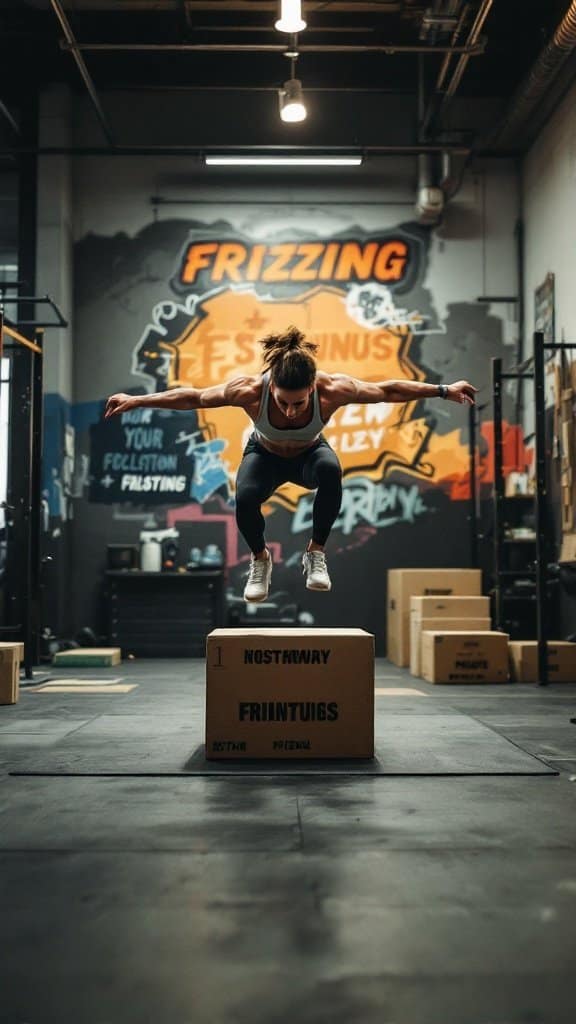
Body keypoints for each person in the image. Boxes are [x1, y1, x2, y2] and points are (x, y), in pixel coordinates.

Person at [105, 326, 477, 603]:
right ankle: (260, 559)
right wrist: (138, 401)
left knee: (331, 470)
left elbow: (389, 390)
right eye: (283, 402)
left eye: (299, 404)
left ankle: (315, 553)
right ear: (273, 388)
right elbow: (194, 398)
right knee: (246, 496)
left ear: (313, 388)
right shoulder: (249, 389)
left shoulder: (334, 388)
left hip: (308, 458)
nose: (289, 410)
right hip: (264, 457)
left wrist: (444, 390)